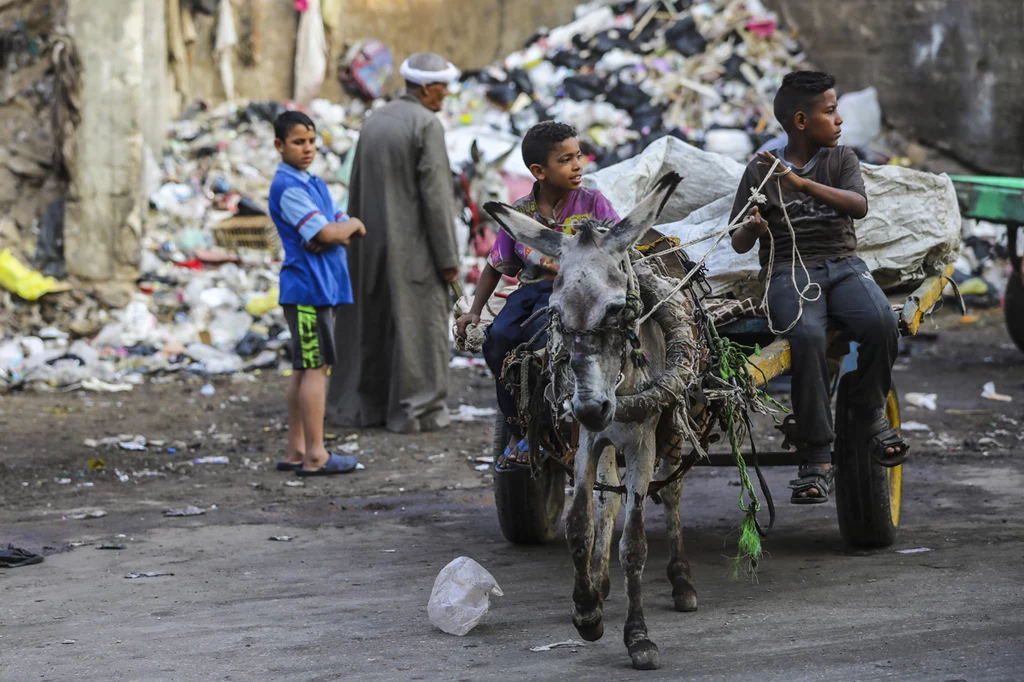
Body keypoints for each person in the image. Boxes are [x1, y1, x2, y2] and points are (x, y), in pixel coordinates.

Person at [729, 71, 907, 504]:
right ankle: (816, 458)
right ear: (802, 121)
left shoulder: (841, 158)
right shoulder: (759, 169)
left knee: (882, 321)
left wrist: (802, 185)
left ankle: (867, 415)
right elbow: (736, 240)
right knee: (805, 336)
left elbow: (859, 206)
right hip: (789, 270)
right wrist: (753, 227)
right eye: (830, 112)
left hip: (844, 266)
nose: (840, 119)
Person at [455, 121, 620, 469]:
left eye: (578, 156)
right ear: (538, 171)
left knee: (543, 345)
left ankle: (543, 429)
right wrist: (474, 311)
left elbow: (620, 249)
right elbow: (495, 265)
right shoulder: (521, 213)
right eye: (566, 160)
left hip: (579, 295)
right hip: (533, 292)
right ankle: (518, 429)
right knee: (497, 339)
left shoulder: (594, 203)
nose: (578, 166)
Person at [328, 52, 461, 434]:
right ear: (426, 88)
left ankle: (360, 409)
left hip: (368, 243)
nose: (446, 96)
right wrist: (448, 259)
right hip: (413, 247)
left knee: (371, 323)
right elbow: (436, 199)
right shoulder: (426, 124)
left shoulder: (375, 120)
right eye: (442, 89)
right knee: (418, 327)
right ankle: (418, 411)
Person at [269, 111, 367, 476]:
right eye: (298, 142)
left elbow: (332, 224)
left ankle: (296, 450)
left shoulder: (311, 182)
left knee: (305, 367)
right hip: (308, 289)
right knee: (315, 368)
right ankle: (315, 455)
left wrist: (338, 228)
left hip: (318, 287)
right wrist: (347, 226)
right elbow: (329, 233)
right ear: (280, 145)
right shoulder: (289, 187)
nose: (307, 148)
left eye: (311, 141)